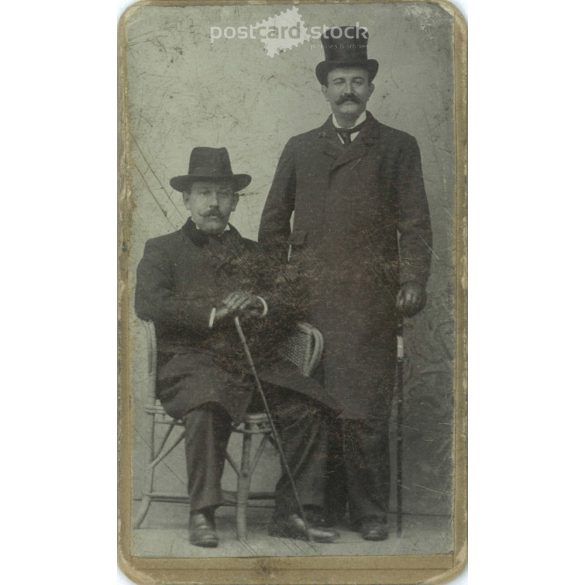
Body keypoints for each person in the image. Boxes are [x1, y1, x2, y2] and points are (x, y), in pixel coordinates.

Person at [258, 27, 433, 541]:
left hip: (369, 301)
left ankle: (370, 511)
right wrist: (280, 284)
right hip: (307, 301)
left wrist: (413, 280)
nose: (348, 90)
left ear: (371, 89)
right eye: (339, 81)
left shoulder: (398, 147)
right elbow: (272, 224)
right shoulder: (299, 148)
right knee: (311, 404)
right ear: (325, 89)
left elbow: (416, 224)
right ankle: (312, 508)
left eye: (358, 80)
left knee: (363, 408)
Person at [135, 146, 340, 547]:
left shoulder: (254, 253)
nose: (214, 203)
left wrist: (259, 303)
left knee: (310, 406)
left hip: (254, 365)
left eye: (223, 194)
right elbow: (150, 303)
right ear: (187, 199)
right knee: (207, 403)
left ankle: (294, 514)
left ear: (234, 201)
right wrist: (214, 311)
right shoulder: (162, 249)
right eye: (205, 193)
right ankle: (202, 513)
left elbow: (290, 300)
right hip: (191, 366)